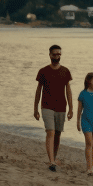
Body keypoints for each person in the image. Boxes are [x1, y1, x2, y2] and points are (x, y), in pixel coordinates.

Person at [33, 44, 73, 172]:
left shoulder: (65, 71)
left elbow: (69, 90)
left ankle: (53, 159)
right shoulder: (43, 71)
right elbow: (38, 90)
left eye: (59, 54)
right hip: (46, 106)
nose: (57, 56)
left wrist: (71, 108)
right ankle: (51, 161)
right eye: (55, 54)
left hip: (61, 106)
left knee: (58, 134)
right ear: (50, 55)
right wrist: (35, 109)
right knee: (50, 131)